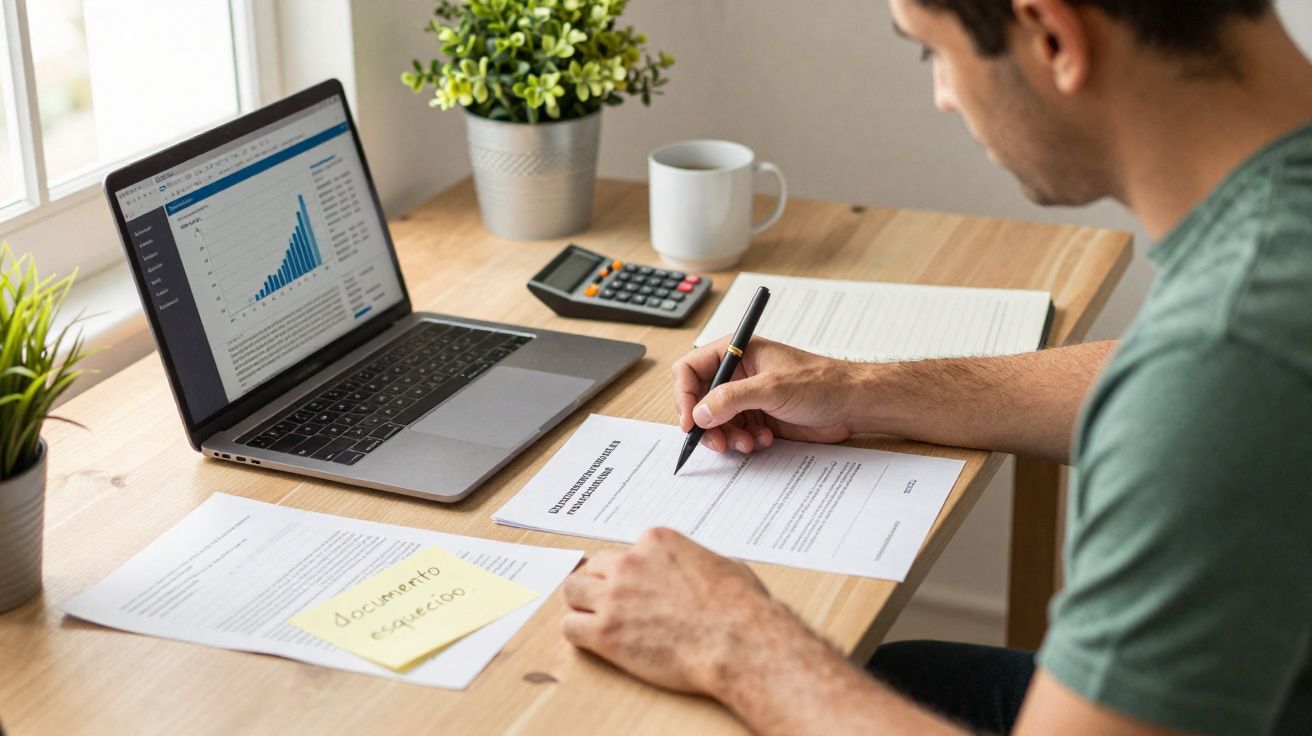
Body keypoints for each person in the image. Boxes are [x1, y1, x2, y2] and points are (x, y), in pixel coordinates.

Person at [558, 0, 1312, 734]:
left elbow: (1207, 388)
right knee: (896, 676)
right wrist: (858, 389)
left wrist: (731, 640)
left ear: (1050, 34)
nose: (944, 97)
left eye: (934, 52)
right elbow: (1172, 385)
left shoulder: (1229, 350)